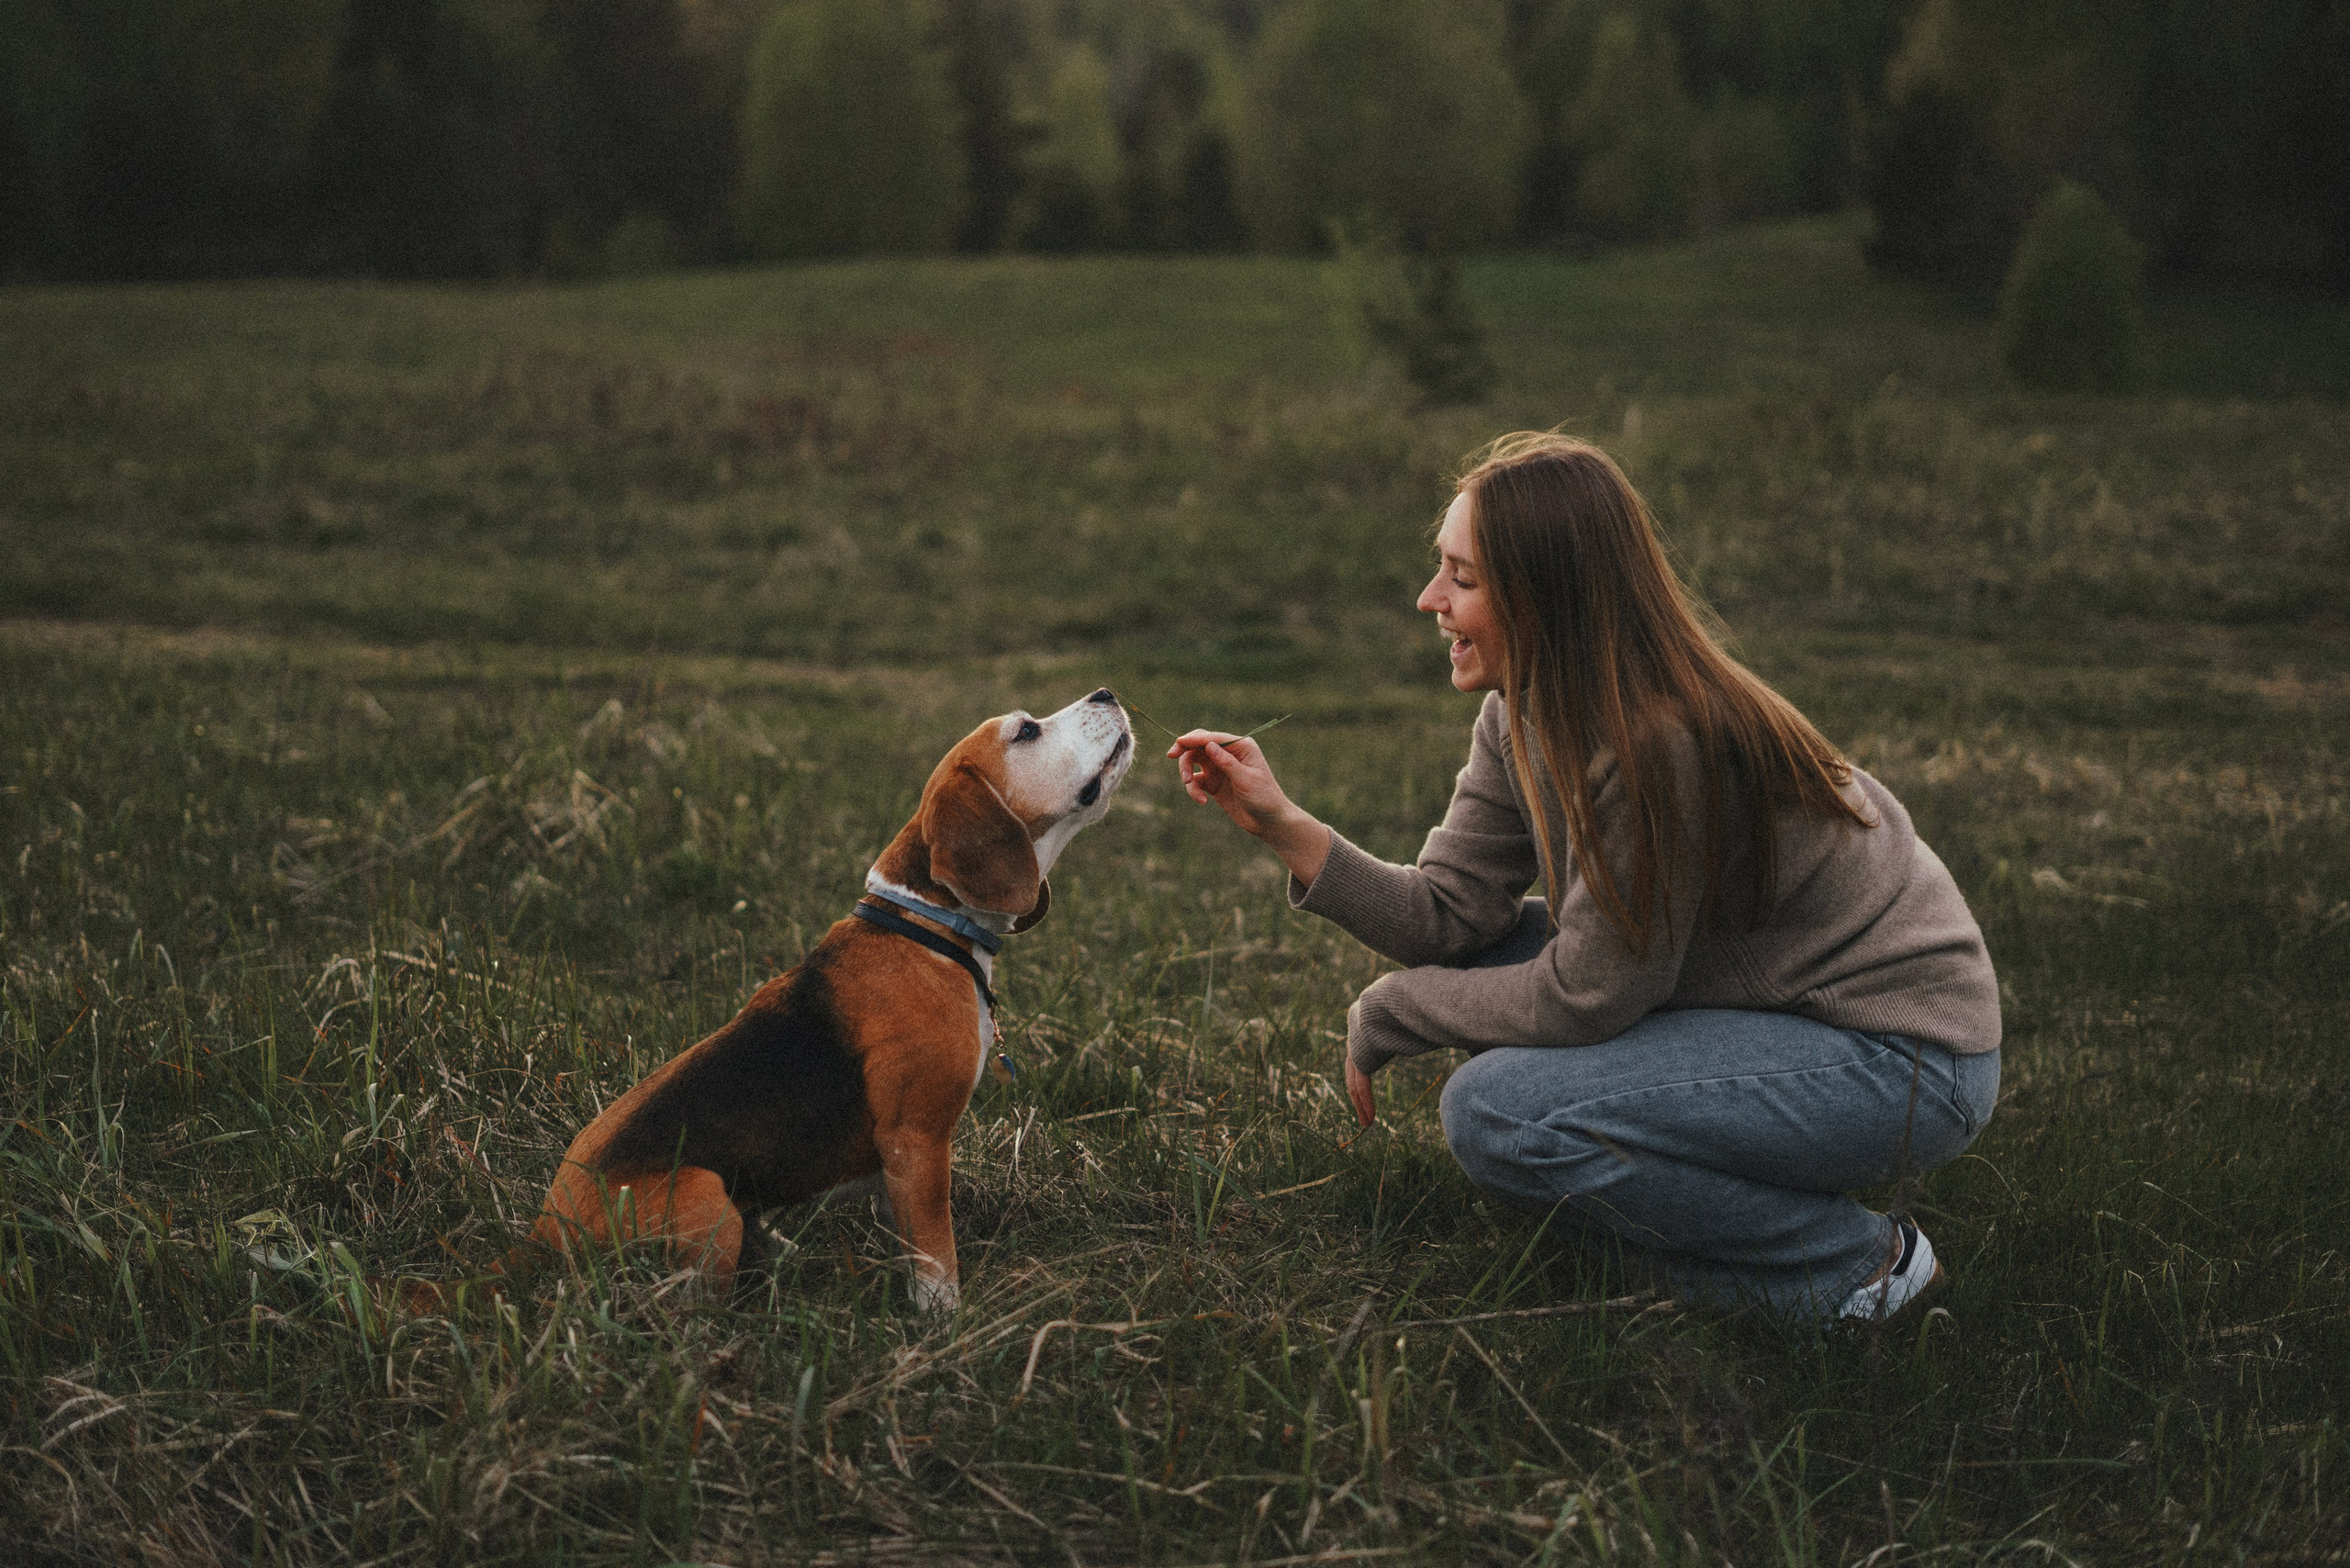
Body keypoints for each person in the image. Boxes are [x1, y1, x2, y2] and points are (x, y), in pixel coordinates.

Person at [1167, 432, 2001, 1322]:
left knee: (1497, 1115)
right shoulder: (1520, 711)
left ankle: (1859, 1269)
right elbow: (1450, 915)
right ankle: (1688, 1250)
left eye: (1462, 578)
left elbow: (1591, 995)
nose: (1429, 599)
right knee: (1495, 973)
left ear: (1544, 597)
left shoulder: (1655, 743)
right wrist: (1282, 825)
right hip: (1764, 1005)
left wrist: (1397, 1008)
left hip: (1899, 1059)